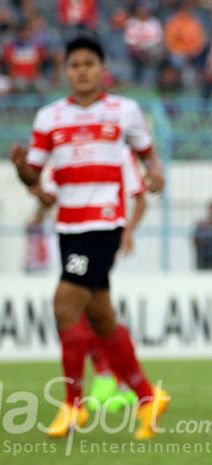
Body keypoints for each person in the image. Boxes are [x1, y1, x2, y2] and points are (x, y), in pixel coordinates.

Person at [10, 35, 169, 440]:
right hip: (68, 226)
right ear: (66, 71)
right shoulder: (49, 118)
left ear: (101, 69)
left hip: (104, 224)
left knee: (64, 305)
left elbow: (146, 150)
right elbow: (34, 173)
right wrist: (20, 169)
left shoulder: (124, 111)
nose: (81, 71)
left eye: (88, 64)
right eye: (74, 65)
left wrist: (156, 170)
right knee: (100, 317)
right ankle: (148, 398)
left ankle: (72, 404)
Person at [35, 150, 148, 413]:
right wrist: (29, 180)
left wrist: (128, 231)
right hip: (70, 236)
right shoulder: (63, 153)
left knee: (70, 306)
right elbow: (48, 196)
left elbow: (140, 198)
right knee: (98, 315)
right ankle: (131, 388)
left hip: (100, 235)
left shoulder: (118, 151)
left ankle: (89, 393)